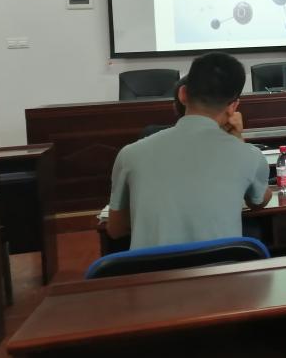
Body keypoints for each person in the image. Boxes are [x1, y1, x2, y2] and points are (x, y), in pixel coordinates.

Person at [107, 52, 271, 249]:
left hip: (153, 269)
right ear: (233, 106)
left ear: (183, 94)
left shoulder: (130, 155)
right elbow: (259, 200)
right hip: (222, 268)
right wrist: (237, 138)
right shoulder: (249, 155)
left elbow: (115, 230)